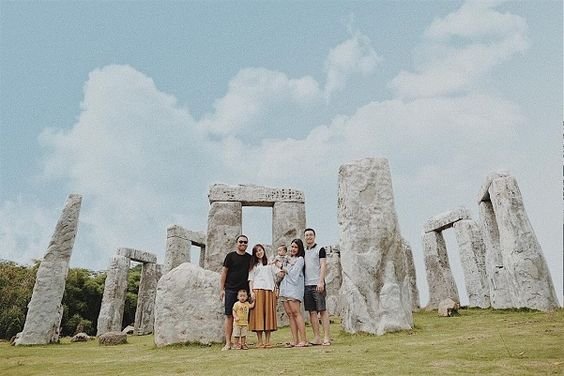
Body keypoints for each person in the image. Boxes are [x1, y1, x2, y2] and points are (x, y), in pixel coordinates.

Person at [220, 234, 252, 351]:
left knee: (244, 317)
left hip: (243, 291)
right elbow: (224, 272)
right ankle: (228, 343)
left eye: (245, 242)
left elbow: (252, 274)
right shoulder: (230, 256)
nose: (243, 244)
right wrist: (221, 289)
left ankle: (242, 343)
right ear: (236, 243)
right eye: (241, 242)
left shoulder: (249, 258)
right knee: (229, 315)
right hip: (230, 289)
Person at [303, 228, 331, 346]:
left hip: (317, 284)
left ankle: (326, 337)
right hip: (306, 285)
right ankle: (317, 337)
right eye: (306, 235)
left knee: (322, 311)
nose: (309, 237)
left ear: (314, 236)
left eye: (310, 235)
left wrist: (321, 281)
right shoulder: (304, 251)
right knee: (312, 312)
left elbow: (323, 265)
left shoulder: (320, 249)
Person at [279, 238, 309, 347]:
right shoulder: (287, 259)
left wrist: (283, 268)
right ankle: (295, 340)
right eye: (292, 246)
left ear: (299, 249)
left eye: (296, 247)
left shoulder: (300, 259)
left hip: (294, 289)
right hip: (285, 289)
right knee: (290, 315)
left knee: (296, 313)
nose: (293, 249)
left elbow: (294, 275)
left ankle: (303, 340)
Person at [248, 243, 278, 348]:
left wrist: (278, 262)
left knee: (268, 315)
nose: (259, 252)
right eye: (257, 251)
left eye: (260, 250)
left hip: (269, 290)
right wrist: (251, 292)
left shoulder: (270, 264)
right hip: (257, 290)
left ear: (263, 251)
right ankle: (260, 341)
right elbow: (250, 279)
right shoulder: (254, 266)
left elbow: (277, 275)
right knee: (258, 316)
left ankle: (268, 340)